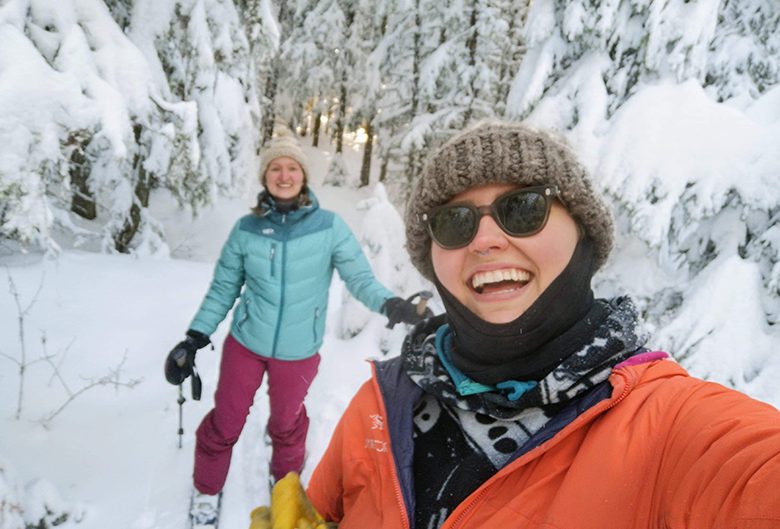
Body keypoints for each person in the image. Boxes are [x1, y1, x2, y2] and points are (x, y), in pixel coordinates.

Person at [304, 122, 780, 529]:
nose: (486, 240)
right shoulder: (386, 399)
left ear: (584, 235)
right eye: (454, 222)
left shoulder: (670, 427)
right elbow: (322, 511)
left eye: (524, 209)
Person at [163, 134, 427, 508]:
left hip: (299, 350)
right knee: (226, 420)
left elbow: (361, 280)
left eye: (291, 168)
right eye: (275, 168)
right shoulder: (246, 230)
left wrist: (394, 306)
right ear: (265, 176)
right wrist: (193, 337)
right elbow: (223, 289)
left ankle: (284, 486)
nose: (283, 175)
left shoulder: (329, 227)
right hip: (246, 344)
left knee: (287, 425)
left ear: (303, 176)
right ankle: (206, 491)